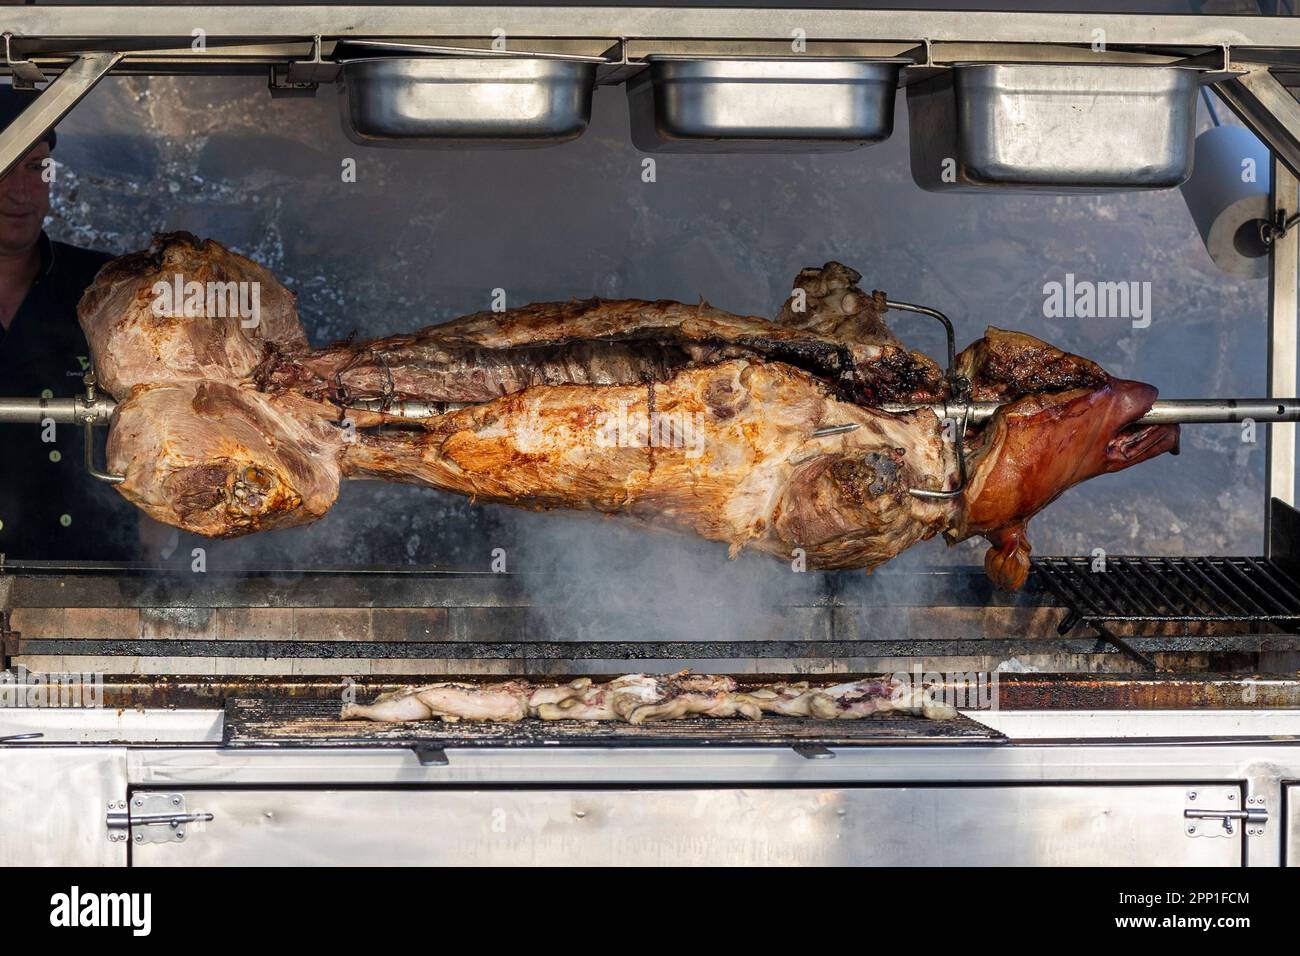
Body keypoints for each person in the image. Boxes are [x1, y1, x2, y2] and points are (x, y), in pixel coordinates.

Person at [0, 86, 139, 561]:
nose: (20, 191)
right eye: (3, 167)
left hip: (95, 571)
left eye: (36, 168)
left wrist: (161, 533)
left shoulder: (112, 288)